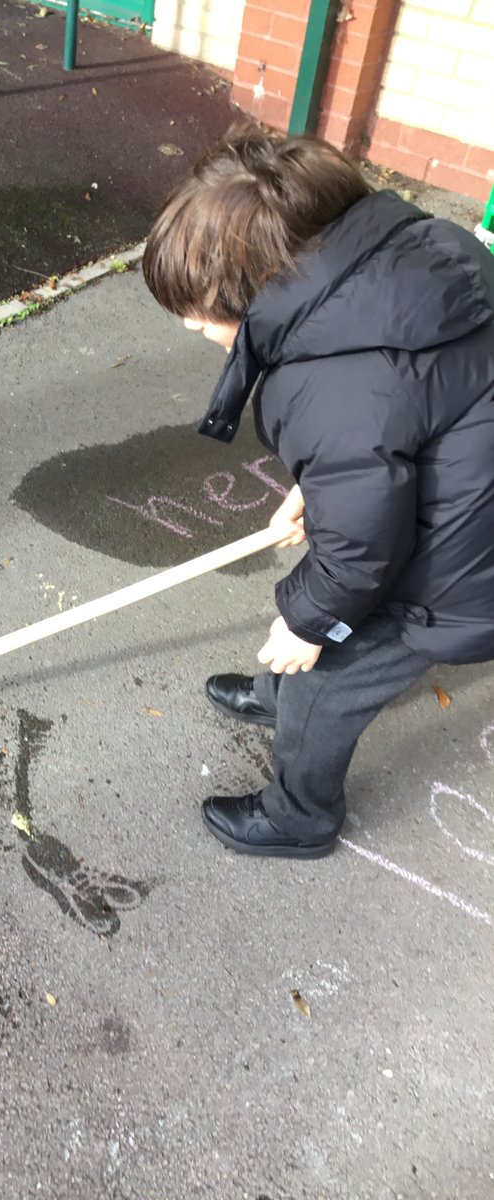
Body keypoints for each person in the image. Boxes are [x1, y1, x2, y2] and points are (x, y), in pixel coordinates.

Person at [142, 127, 494, 859]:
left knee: (324, 680)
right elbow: (412, 421)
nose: (187, 323)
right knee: (308, 645)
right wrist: (323, 485)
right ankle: (276, 698)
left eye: (200, 307)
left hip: (459, 567)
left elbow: (365, 546)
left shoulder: (331, 387)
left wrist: (311, 622)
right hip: (464, 492)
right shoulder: (418, 259)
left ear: (263, 289)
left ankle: (299, 816)